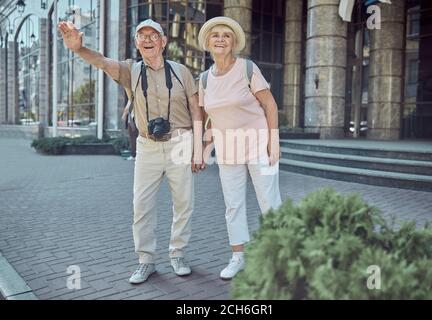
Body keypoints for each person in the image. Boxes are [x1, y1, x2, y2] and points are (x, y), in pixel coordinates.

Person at [58, 19, 205, 284]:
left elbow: (196, 109)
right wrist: (79, 49)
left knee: (184, 204)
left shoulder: (182, 71)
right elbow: (102, 61)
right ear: (137, 43)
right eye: (141, 35)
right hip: (147, 145)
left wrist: (198, 149)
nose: (147, 39)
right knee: (141, 206)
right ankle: (146, 260)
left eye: (153, 35)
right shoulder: (130, 70)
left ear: (163, 41)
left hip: (180, 143)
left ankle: (178, 254)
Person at [198, 17, 283, 280]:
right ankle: (238, 257)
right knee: (233, 205)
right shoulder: (203, 79)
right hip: (227, 150)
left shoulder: (247, 68)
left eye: (226, 35)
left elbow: (270, 105)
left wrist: (274, 141)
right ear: (208, 43)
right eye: (215, 35)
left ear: (233, 42)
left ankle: (281, 256)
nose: (220, 39)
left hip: (259, 145)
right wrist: (204, 148)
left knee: (270, 202)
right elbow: (209, 117)